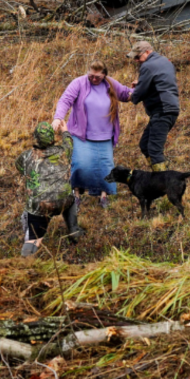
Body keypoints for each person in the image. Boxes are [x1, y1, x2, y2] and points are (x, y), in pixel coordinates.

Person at [51, 61, 133, 209]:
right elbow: (65, 100)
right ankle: (76, 194)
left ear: (104, 75)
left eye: (98, 76)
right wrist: (58, 117)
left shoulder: (110, 84)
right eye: (91, 76)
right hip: (82, 134)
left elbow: (126, 94)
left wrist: (140, 88)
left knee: (105, 167)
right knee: (81, 165)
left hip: (105, 135)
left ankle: (103, 196)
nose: (94, 79)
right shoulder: (79, 83)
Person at [15, 122, 82, 258]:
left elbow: (20, 168)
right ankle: (74, 231)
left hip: (41, 206)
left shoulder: (26, 156)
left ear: (36, 139)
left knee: (34, 239)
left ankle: (24, 260)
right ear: (52, 139)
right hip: (64, 201)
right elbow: (69, 141)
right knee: (70, 198)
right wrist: (64, 130)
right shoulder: (64, 151)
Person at [126, 40, 180, 172]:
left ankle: (164, 184)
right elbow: (159, 82)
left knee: (154, 149)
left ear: (148, 52)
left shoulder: (148, 66)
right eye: (135, 58)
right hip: (169, 108)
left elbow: (140, 92)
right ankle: (162, 177)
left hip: (162, 109)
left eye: (138, 57)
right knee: (144, 144)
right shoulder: (165, 62)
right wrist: (141, 83)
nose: (137, 60)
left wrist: (129, 95)